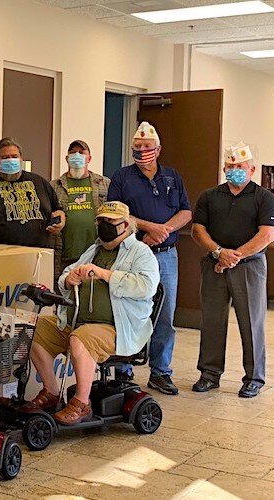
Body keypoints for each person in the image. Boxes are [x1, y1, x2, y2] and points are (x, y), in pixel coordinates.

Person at [29, 201, 159, 424]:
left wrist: (106, 275)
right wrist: (68, 280)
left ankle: (81, 403)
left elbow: (147, 286)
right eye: (100, 221)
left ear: (126, 224)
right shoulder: (95, 249)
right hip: (79, 321)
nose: (104, 226)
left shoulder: (141, 253)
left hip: (118, 327)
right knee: (35, 328)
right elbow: (68, 273)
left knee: (82, 338)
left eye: (110, 222)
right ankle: (51, 391)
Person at [107, 121, 191, 396]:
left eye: (148, 147)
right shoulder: (121, 177)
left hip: (166, 255)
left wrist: (162, 230)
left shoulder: (172, 176)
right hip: (132, 254)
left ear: (158, 149)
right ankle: (124, 371)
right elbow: (116, 214)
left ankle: (160, 372)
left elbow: (186, 212)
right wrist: (147, 227)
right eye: (138, 147)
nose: (143, 151)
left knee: (164, 314)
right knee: (128, 310)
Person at [191, 142, 274, 398]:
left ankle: (254, 378)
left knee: (252, 323)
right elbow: (198, 230)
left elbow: (266, 235)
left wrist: (234, 257)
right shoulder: (209, 196)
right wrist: (219, 253)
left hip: (249, 267)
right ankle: (209, 374)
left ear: (251, 169)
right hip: (214, 265)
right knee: (212, 321)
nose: (235, 170)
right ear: (224, 168)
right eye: (230, 166)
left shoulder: (265, 198)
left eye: (240, 167)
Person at [51, 139, 111, 286]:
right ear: (67, 158)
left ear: (89, 158)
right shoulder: (54, 186)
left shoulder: (104, 183)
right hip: (65, 255)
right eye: (72, 153)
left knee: (92, 298)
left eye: (81, 152)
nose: (77, 155)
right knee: (64, 298)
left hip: (96, 254)